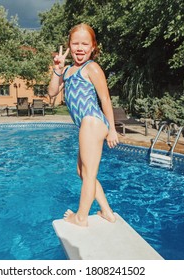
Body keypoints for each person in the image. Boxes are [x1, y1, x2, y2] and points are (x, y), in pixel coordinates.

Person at [48, 23, 119, 227]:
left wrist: (112, 129)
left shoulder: (92, 68)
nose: (80, 48)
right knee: (81, 172)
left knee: (89, 173)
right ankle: (107, 212)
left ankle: (81, 218)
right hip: (86, 125)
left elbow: (105, 99)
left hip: (92, 121)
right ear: (69, 45)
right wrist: (57, 69)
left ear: (93, 47)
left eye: (85, 43)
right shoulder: (68, 70)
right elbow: (52, 93)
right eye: (75, 43)